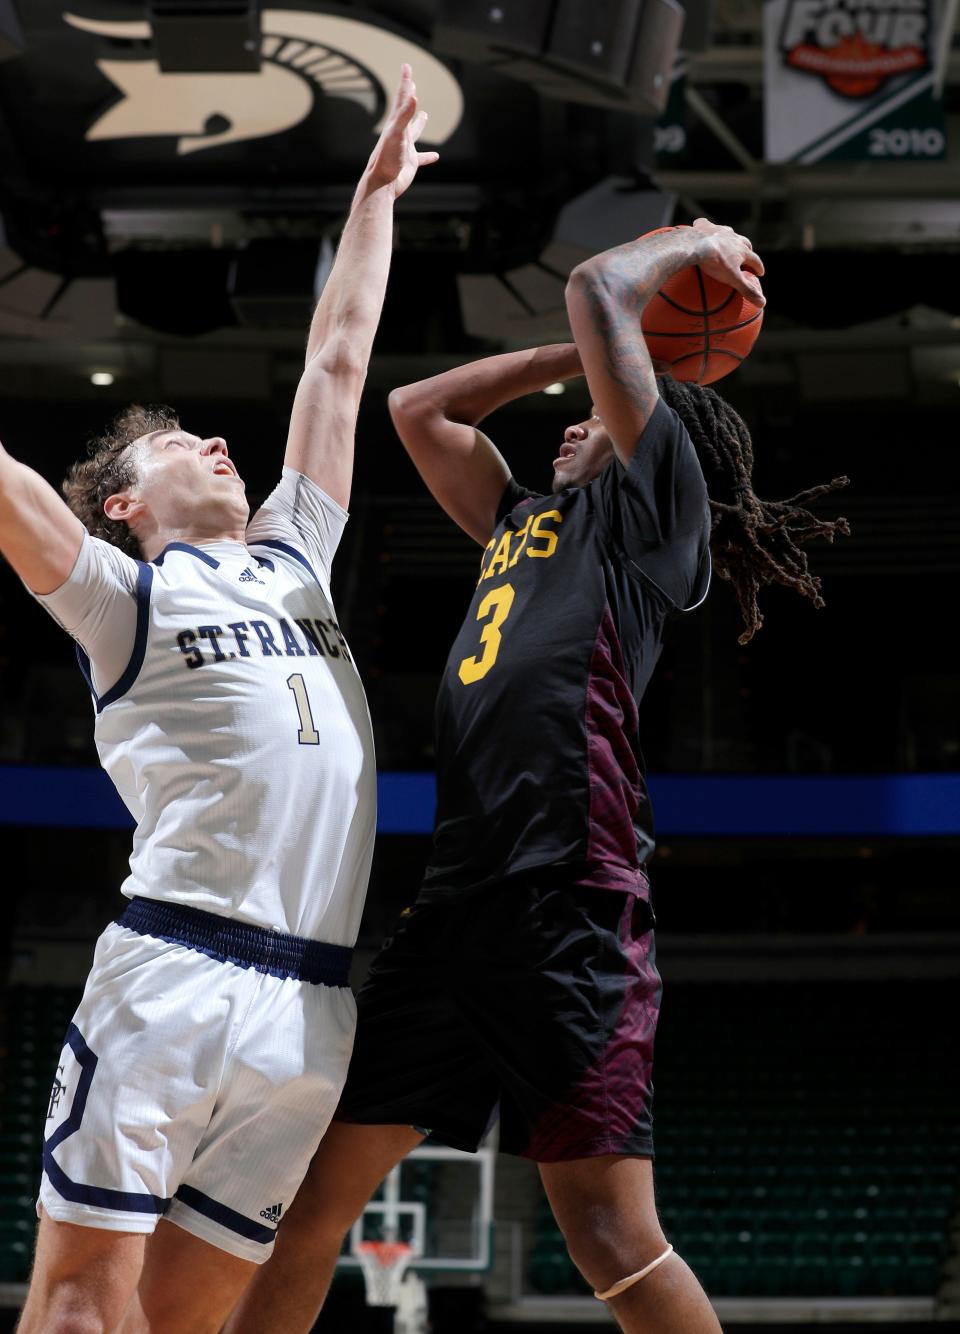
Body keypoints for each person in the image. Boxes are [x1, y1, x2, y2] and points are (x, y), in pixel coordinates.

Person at [225, 221, 849, 1334]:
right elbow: (421, 409)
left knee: (610, 1235)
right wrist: (577, 354)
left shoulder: (656, 523)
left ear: (653, 431)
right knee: (308, 1198)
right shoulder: (520, 521)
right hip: (455, 905)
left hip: (572, 898)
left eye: (599, 410)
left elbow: (596, 284)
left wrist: (690, 246)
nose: (574, 417)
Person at [0, 66, 437, 1334]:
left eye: (217, 437)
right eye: (182, 441)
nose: (219, 442)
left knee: (190, 1325)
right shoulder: (116, 597)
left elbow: (339, 360)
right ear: (123, 506)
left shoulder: (298, 552)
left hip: (311, 1002)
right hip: (174, 971)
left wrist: (374, 202)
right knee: (84, 1305)